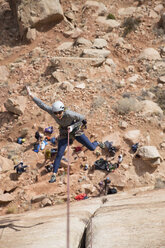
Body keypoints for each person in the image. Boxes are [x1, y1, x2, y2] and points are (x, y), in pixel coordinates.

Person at [26, 86, 99, 183]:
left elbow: (82, 118)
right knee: (59, 154)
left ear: (63, 110)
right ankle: (54, 175)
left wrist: (72, 127)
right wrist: (31, 95)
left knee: (92, 148)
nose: (57, 115)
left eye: (59, 113)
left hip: (75, 129)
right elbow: (42, 105)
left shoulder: (69, 114)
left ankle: (97, 143)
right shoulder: (53, 112)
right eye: (55, 113)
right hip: (64, 133)